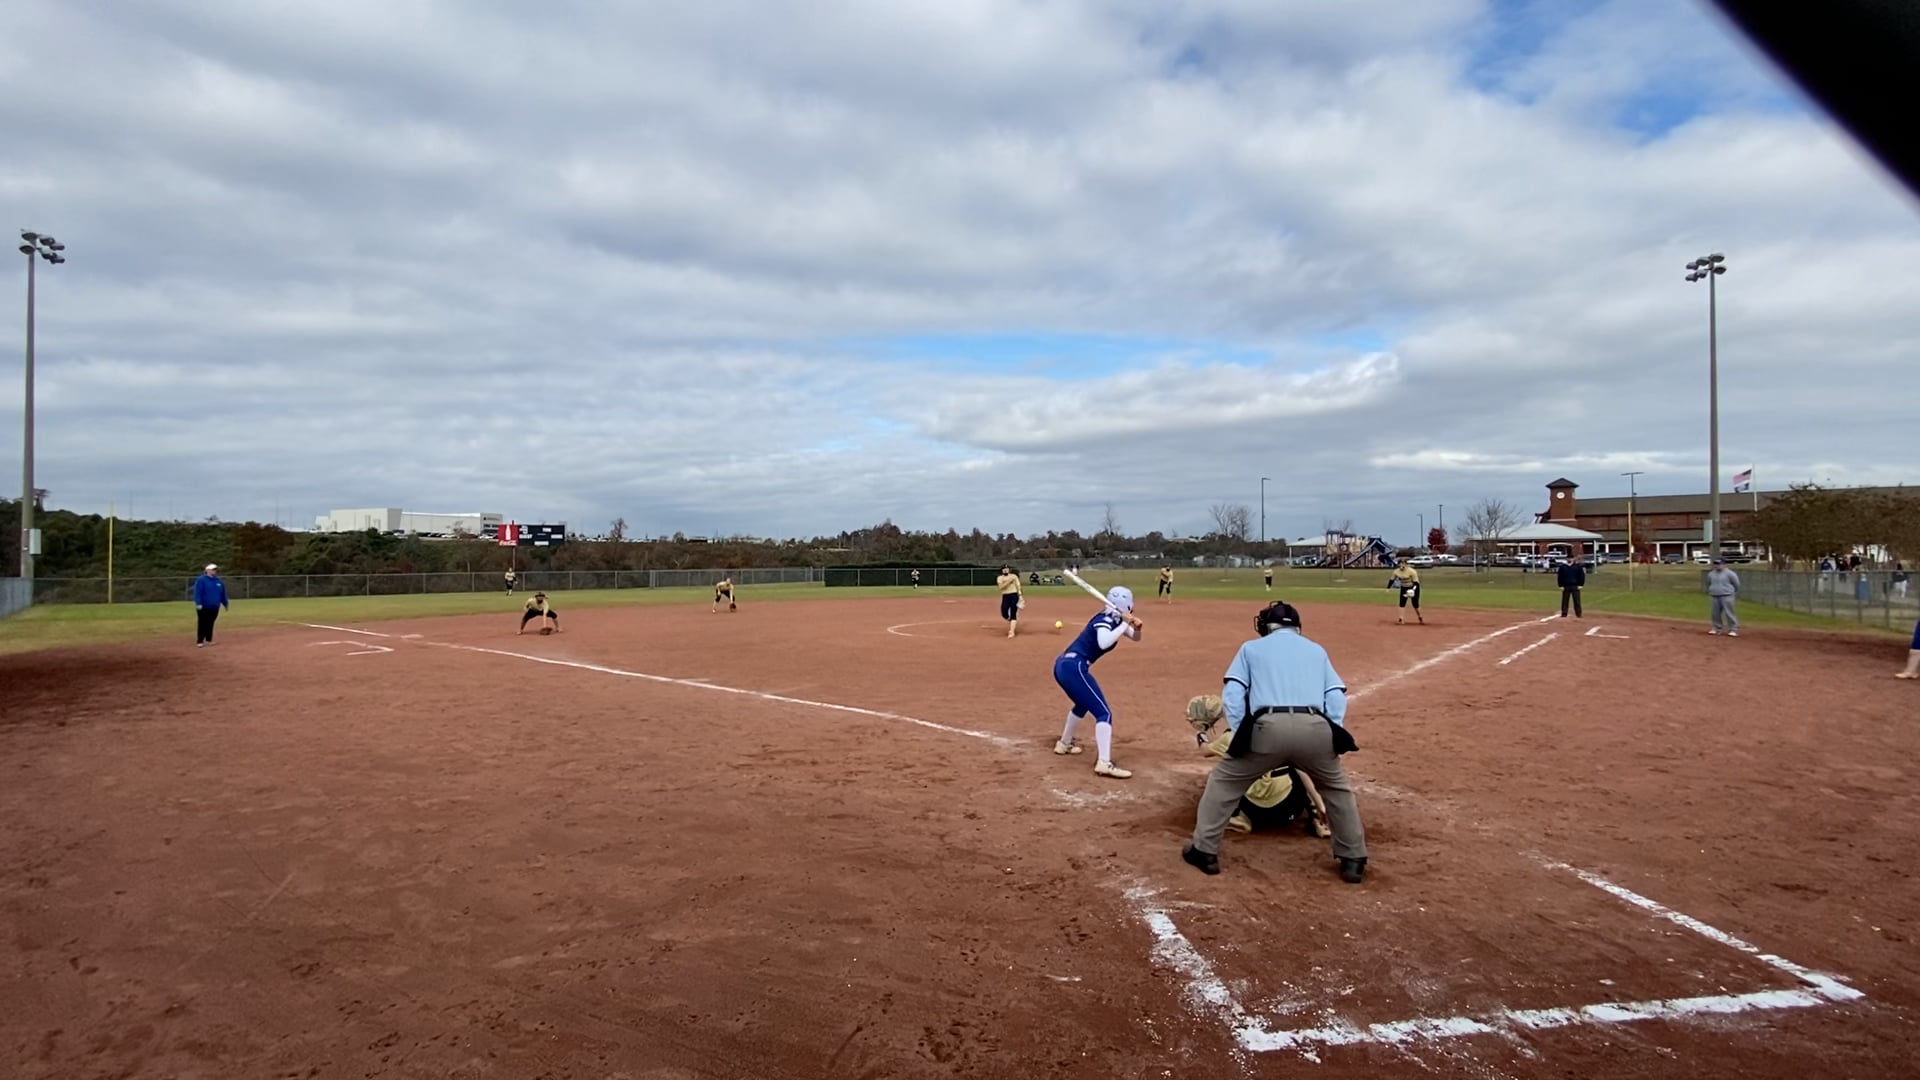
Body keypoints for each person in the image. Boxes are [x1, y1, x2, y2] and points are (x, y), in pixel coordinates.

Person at [1181, 600, 1367, 883]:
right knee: (1336, 789)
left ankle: (1204, 851)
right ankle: (1353, 860)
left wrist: (1241, 732)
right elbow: (1335, 695)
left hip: (1267, 727)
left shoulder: (1251, 648)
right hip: (1315, 726)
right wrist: (1333, 730)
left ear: (1266, 626)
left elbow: (1233, 693)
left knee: (1224, 782)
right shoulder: (1316, 650)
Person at [1186, 694, 1330, 838]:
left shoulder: (1231, 737)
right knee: (1300, 767)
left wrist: (1201, 732)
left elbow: (1205, 750)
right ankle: (1318, 820)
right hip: (1289, 809)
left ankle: (1237, 816)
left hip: (1255, 812)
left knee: (1223, 773)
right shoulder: (1283, 732)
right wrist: (1320, 804)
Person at [1052, 585, 1144, 779]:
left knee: (1082, 704)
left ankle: (1064, 743)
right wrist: (1124, 624)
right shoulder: (1105, 620)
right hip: (1074, 667)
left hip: (1065, 666)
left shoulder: (1114, 619)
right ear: (1127, 605)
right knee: (1104, 713)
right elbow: (1104, 642)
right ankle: (1104, 763)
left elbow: (1135, 638)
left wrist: (1136, 628)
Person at [192, 563, 230, 648]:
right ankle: (200, 641)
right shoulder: (201, 580)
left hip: (215, 606)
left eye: (215, 569)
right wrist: (198, 603)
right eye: (213, 569)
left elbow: (222, 593)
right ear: (207, 570)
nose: (214, 571)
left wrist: (225, 603)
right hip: (204, 606)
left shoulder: (218, 581)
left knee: (210, 623)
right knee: (202, 623)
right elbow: (198, 592)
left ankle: (208, 640)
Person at [1705, 558, 1741, 637]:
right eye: (1715, 564)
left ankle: (1733, 629)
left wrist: (1731, 591)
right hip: (1715, 595)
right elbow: (1708, 583)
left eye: (1719, 564)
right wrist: (1711, 590)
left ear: (1724, 564)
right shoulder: (1711, 574)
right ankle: (1716, 628)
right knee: (1715, 613)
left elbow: (1736, 584)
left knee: (1729, 613)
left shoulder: (1730, 573)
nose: (1717, 566)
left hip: (1727, 595)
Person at [996, 564, 1023, 639]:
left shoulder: (1014, 576)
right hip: (1005, 596)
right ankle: (1011, 620)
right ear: (1002, 570)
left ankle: (1012, 631)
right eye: (1004, 569)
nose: (1005, 570)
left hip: (1014, 595)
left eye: (1007, 569)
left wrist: (1020, 596)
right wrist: (1009, 581)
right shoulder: (1000, 578)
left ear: (1009, 570)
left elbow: (1018, 586)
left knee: (1013, 612)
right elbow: (1001, 587)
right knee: (1004, 612)